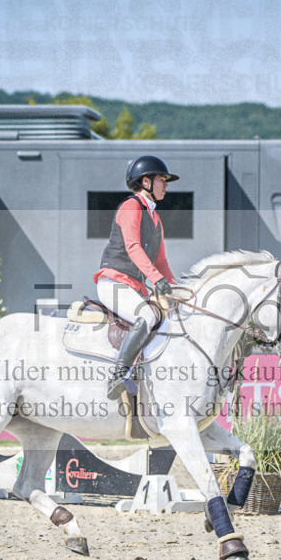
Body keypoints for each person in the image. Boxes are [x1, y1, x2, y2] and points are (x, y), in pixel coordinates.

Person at [94, 155, 179, 399]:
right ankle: (118, 375)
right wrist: (156, 279)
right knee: (147, 316)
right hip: (113, 282)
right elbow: (133, 247)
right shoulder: (131, 206)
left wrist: (175, 289)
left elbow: (161, 261)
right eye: (162, 180)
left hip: (133, 287)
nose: (166, 185)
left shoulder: (155, 218)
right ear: (146, 181)